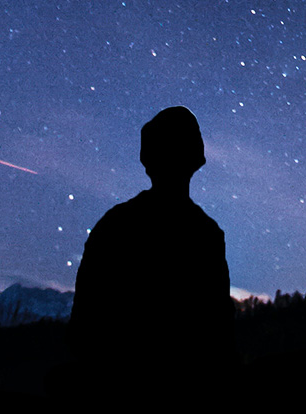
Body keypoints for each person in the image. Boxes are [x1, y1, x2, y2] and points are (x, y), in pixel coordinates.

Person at [67, 106, 236, 396]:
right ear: (196, 158)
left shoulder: (115, 224)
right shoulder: (205, 234)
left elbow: (84, 323)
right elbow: (218, 333)